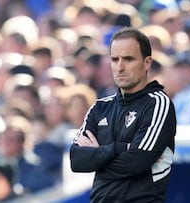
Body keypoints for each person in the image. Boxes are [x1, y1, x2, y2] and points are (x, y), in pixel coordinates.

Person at [70, 27, 177, 203]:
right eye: (114, 59)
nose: (120, 67)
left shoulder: (158, 103)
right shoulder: (100, 108)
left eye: (128, 59)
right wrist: (119, 149)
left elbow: (136, 162)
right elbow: (76, 160)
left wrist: (97, 157)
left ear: (147, 62)